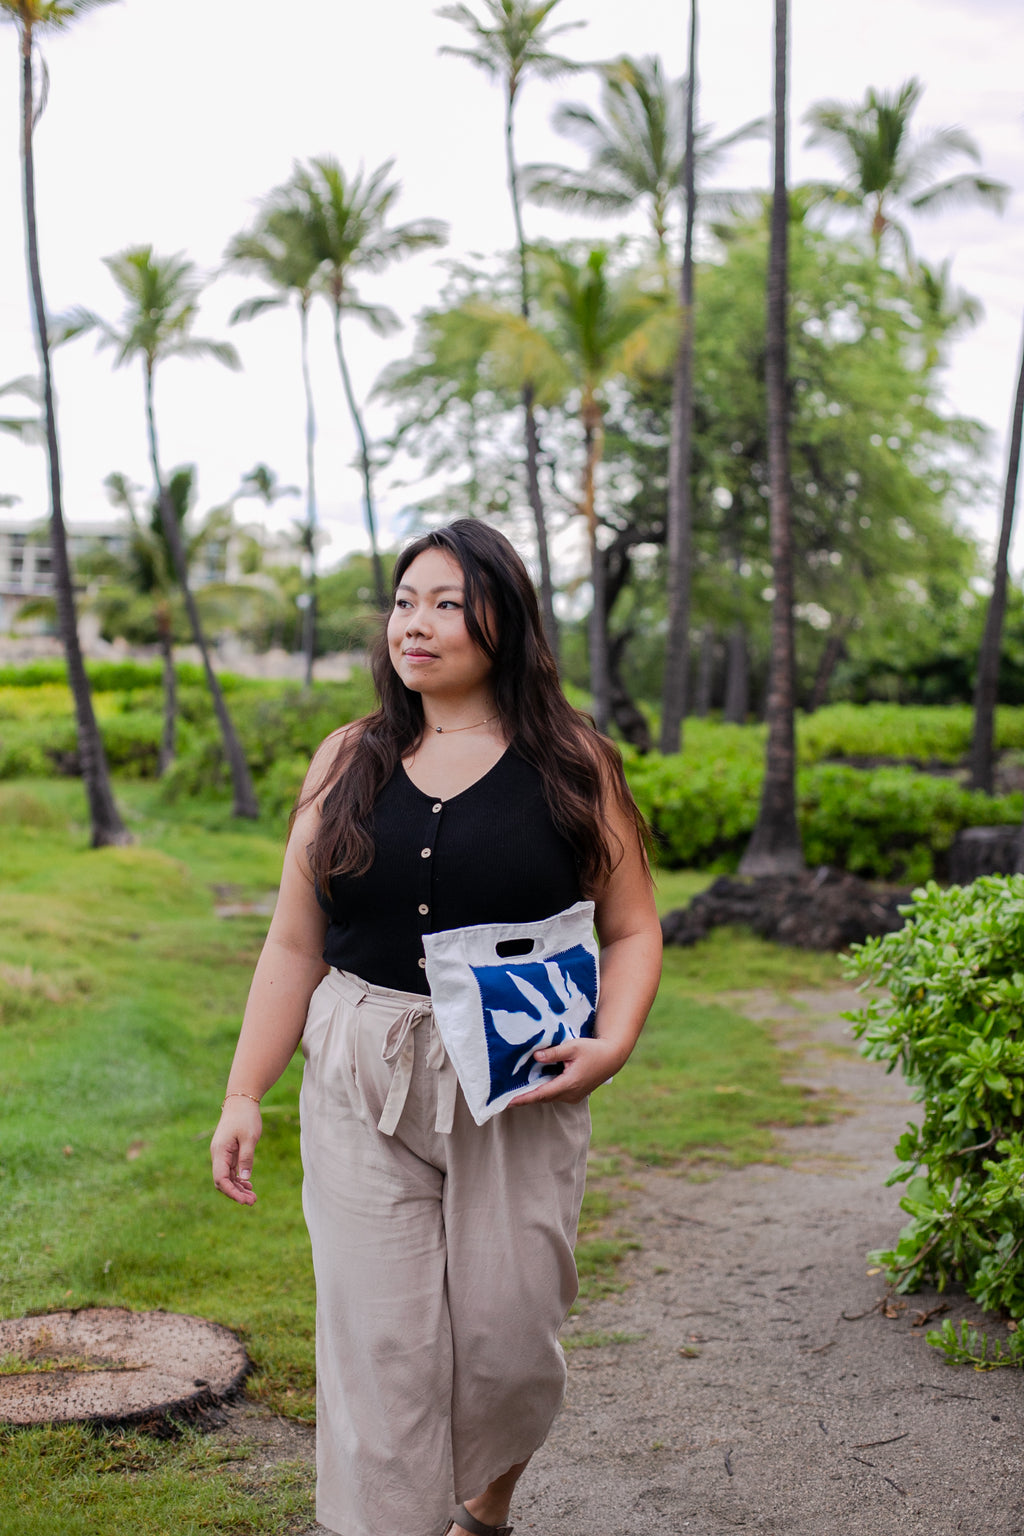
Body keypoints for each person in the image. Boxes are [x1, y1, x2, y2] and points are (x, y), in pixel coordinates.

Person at [211, 519, 662, 1536]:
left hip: (517, 1075)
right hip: (360, 1063)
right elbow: (293, 944)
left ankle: (486, 1503)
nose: (414, 624)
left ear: (507, 622)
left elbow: (633, 927)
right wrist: (244, 1093)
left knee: (509, 1341)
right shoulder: (347, 757)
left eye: (447, 604)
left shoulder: (573, 760)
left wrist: (615, 1040)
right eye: (404, 601)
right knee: (380, 1344)